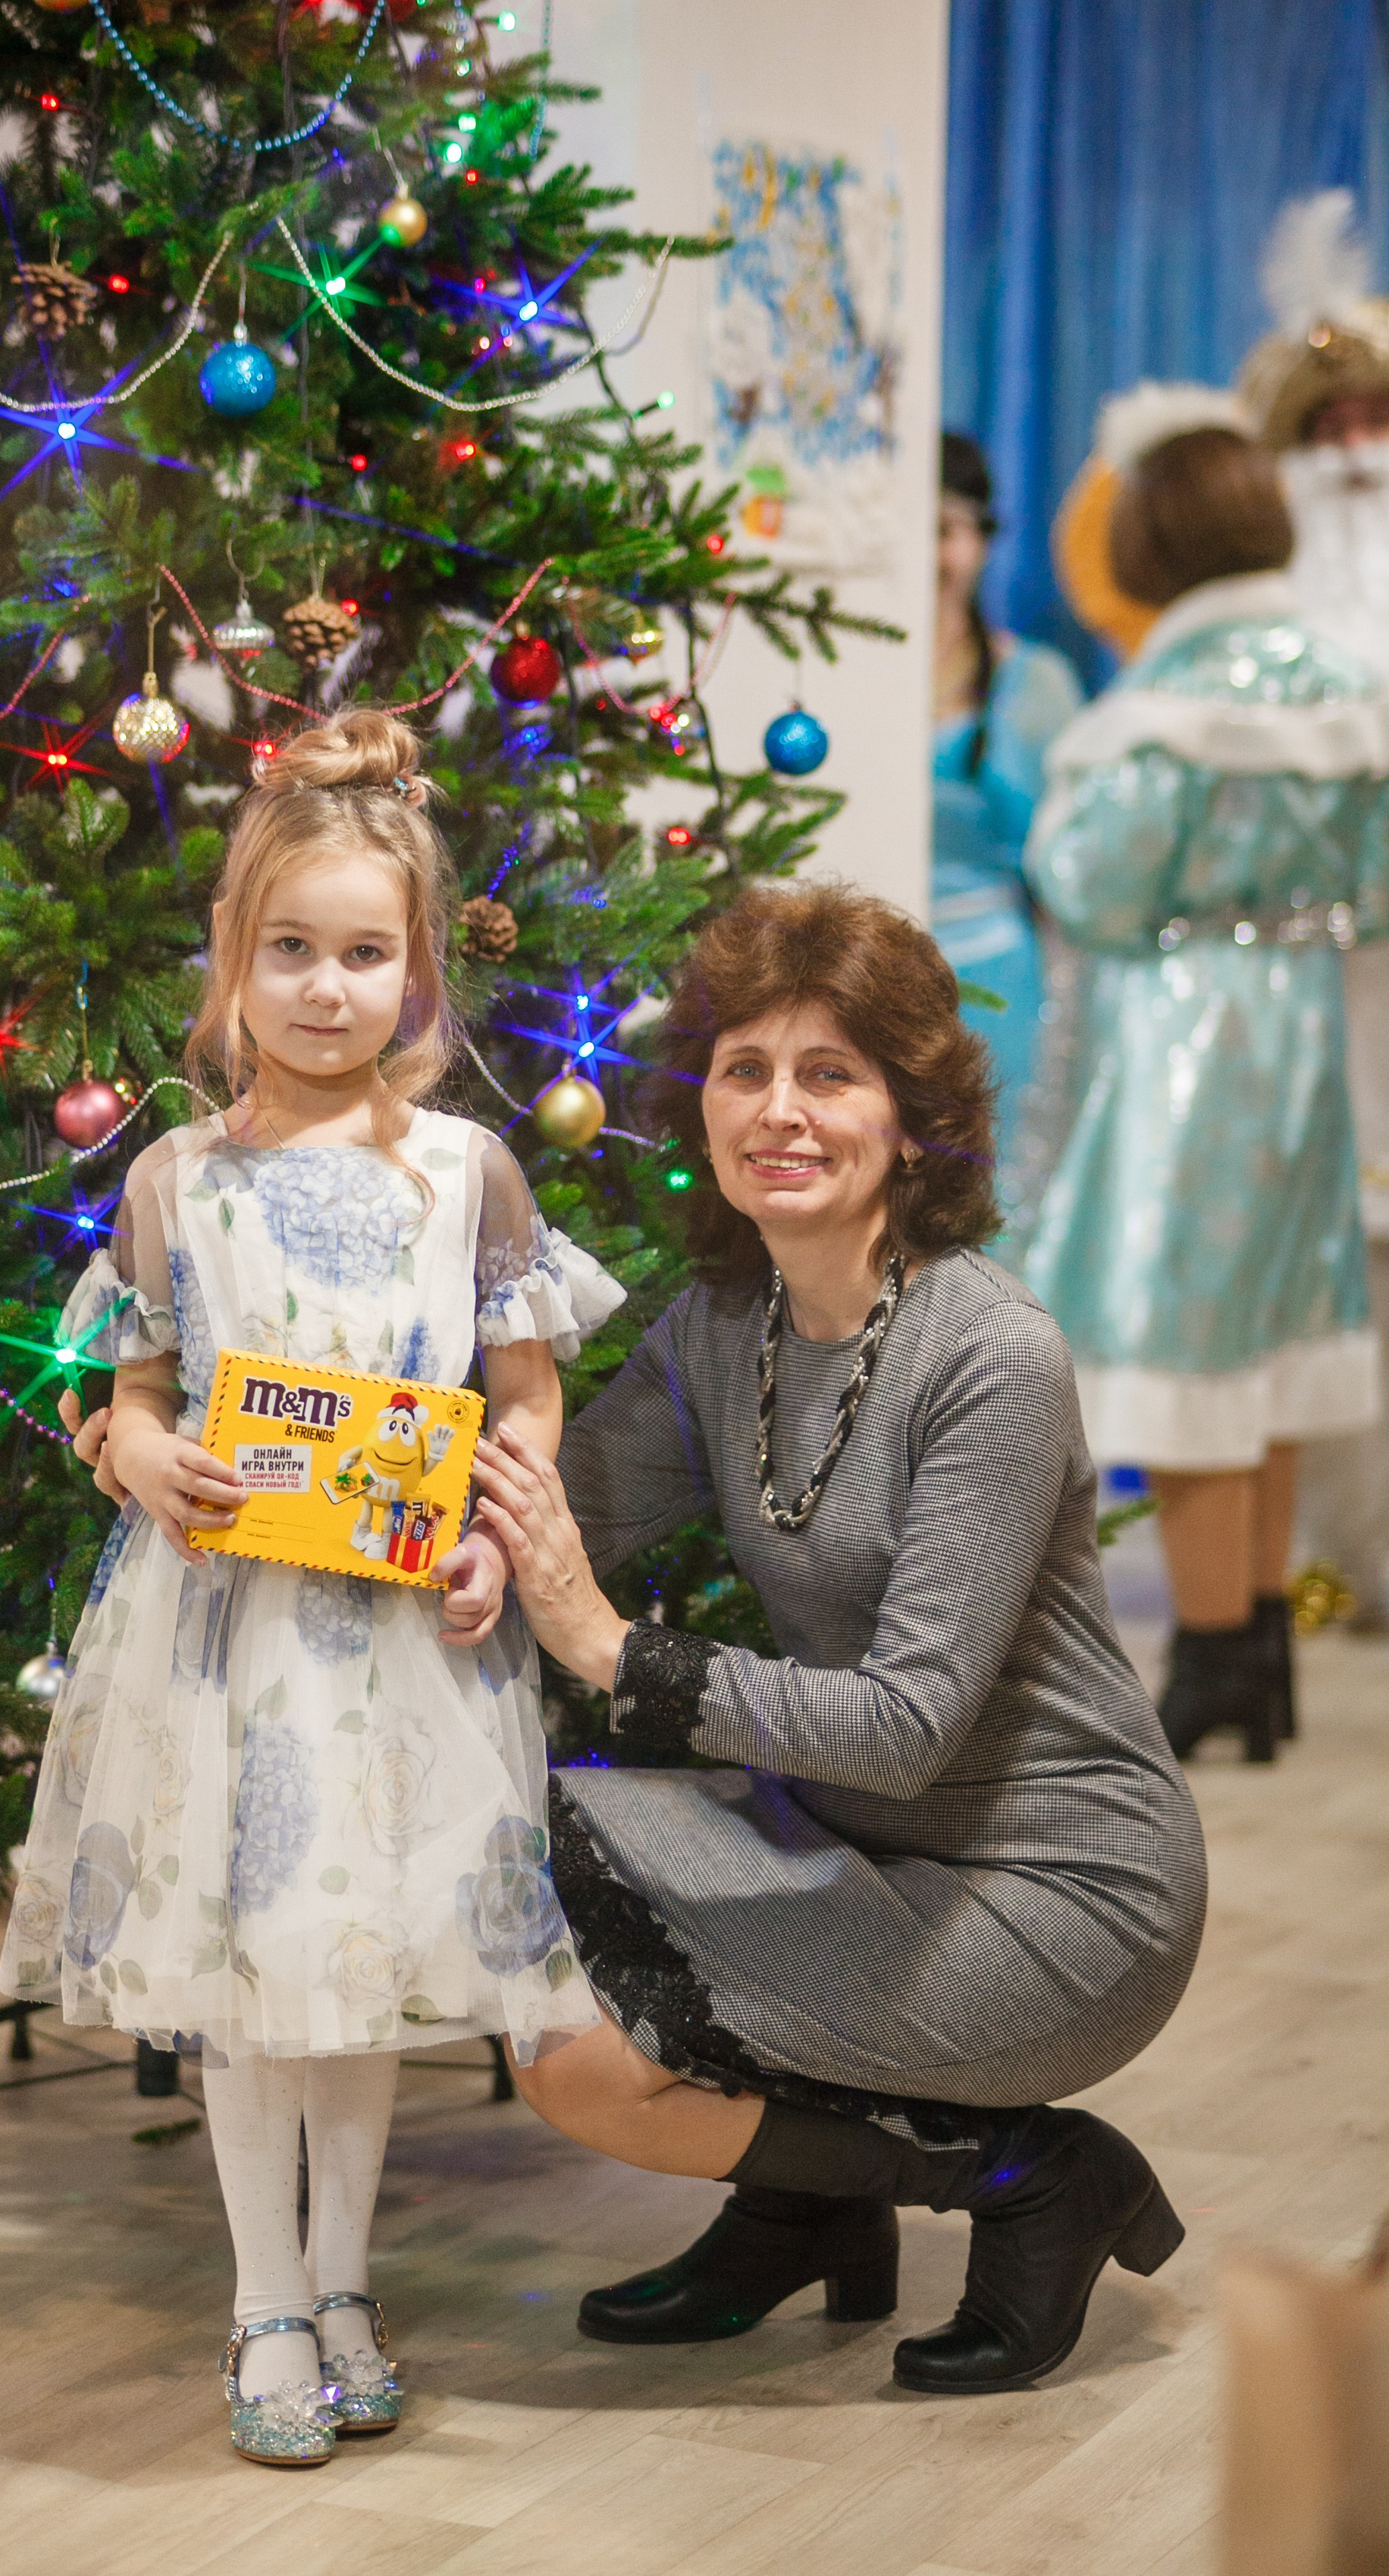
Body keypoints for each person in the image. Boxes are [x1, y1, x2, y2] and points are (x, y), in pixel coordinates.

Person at [463, 880, 1206, 2397]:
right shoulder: (715, 1326)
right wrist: (219, 1460)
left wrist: (611, 1650)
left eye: (829, 1073)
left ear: (909, 1115)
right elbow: (538, 1508)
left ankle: (1026, 2175)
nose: (778, 1111)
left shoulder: (986, 1353)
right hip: (864, 1849)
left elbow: (904, 1721)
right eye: (744, 1069)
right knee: (522, 1903)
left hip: (1056, 1894)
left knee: (580, 2059)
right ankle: (805, 2203)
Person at [0, 710, 622, 2469]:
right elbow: (122, 1392)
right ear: (235, 962)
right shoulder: (173, 1182)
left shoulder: (463, 1179)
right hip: (219, 1644)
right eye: (292, 951)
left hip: (404, 1647)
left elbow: (523, 1391)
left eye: (364, 954)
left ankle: (346, 2278)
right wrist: (135, 1455)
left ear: (416, 974)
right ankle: (264, 2294)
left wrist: (502, 1534)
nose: (327, 989)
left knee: (350, 1966)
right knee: (246, 1967)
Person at [1019, 392, 1389, 1761]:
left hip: (1182, 1026)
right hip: (1299, 1016)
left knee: (1183, 1342)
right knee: (1281, 1336)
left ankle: (1207, 1651)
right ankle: (1255, 1657)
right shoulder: (1348, 685)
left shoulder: (1158, 706)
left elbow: (1090, 883)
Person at [1238, 191, 1389, 1622]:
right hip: (1286, 1001)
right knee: (1314, 1275)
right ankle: (1330, 1554)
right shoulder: (1250, 631)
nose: (1353, 457)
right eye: (1325, 431)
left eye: (1373, 427)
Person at [931, 432, 1084, 1220]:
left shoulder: (1034, 683)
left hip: (997, 984)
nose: (931, 556)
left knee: (993, 1196)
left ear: (982, 543)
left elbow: (1071, 861)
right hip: (866, 980)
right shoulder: (832, 676)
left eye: (947, 530)